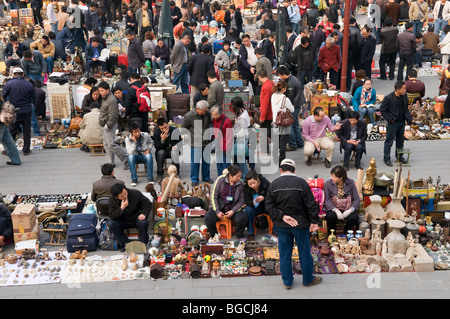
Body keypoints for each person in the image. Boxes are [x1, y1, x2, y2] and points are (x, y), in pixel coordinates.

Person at [265, 158, 321, 289]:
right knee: (304, 252)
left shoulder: (274, 184)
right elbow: (311, 204)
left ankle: (287, 282)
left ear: (281, 170)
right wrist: (314, 221)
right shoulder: (302, 183)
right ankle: (308, 280)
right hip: (301, 225)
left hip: (282, 225)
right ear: (294, 170)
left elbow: (268, 207)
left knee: (284, 254)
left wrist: (283, 217)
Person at [204, 165, 248, 239]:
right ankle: (214, 236)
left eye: (240, 176)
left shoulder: (241, 184)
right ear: (230, 175)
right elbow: (213, 196)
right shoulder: (220, 180)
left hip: (232, 209)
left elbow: (241, 200)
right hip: (220, 208)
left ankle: (239, 235)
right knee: (208, 218)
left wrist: (233, 211)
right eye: (237, 176)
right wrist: (217, 211)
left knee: (243, 218)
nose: (239, 178)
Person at [2, 67, 36, 157]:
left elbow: (3, 95)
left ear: (14, 75)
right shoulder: (28, 84)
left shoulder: (9, 83)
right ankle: (26, 150)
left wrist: (7, 103)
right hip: (27, 110)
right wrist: (31, 103)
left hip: (14, 110)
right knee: (26, 130)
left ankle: (9, 150)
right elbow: (35, 97)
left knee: (12, 130)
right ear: (23, 74)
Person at [108, 183, 152, 251]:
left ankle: (143, 243)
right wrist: (122, 208)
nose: (125, 196)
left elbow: (148, 203)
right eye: (122, 196)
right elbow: (112, 215)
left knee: (144, 223)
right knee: (111, 224)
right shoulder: (112, 200)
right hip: (122, 220)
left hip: (135, 218)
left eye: (125, 193)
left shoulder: (135, 193)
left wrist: (144, 214)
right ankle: (125, 243)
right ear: (116, 197)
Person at [181, 100, 213, 187]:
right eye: (203, 111)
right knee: (195, 162)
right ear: (197, 109)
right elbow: (184, 128)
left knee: (206, 161)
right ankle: (194, 179)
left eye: (205, 110)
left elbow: (210, 124)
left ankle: (206, 177)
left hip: (206, 142)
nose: (205, 112)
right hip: (195, 143)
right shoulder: (189, 116)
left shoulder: (207, 114)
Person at [380, 81, 412, 167]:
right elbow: (383, 110)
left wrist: (409, 118)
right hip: (393, 123)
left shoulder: (404, 96)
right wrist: (390, 119)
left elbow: (406, 109)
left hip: (401, 122)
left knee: (400, 141)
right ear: (398, 90)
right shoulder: (388, 98)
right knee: (389, 141)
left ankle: (399, 156)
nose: (405, 90)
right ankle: (386, 158)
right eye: (403, 89)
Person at [98, 81, 129, 169]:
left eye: (102, 91)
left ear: (107, 90)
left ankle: (126, 158)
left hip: (109, 124)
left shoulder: (111, 100)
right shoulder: (105, 97)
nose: (100, 93)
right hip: (104, 123)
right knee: (106, 144)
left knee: (111, 144)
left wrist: (108, 126)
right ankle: (110, 163)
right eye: (99, 91)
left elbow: (113, 115)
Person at [323, 165, 361, 234]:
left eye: (334, 177)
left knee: (354, 217)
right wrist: (336, 210)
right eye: (332, 176)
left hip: (347, 207)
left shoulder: (351, 183)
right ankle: (332, 231)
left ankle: (346, 230)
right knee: (330, 216)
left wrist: (350, 210)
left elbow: (356, 199)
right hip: (334, 207)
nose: (332, 178)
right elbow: (327, 200)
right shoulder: (328, 183)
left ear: (341, 178)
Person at [277, 65, 304, 151]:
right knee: (295, 123)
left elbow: (290, 98)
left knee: (289, 124)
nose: (280, 77)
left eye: (280, 75)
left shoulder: (291, 83)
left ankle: (293, 144)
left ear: (283, 74)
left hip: (294, 105)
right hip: (297, 104)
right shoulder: (293, 79)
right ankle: (299, 142)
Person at [271, 81, 295, 166]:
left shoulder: (273, 96)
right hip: (284, 122)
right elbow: (292, 110)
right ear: (284, 89)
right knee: (283, 142)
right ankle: (282, 159)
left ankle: (274, 159)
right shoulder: (285, 99)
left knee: (276, 141)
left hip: (275, 121)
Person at [153, 117, 181, 184]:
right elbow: (156, 146)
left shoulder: (174, 130)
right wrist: (162, 140)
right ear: (159, 128)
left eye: (166, 127)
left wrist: (177, 146)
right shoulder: (157, 133)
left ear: (168, 124)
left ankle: (175, 174)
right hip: (162, 150)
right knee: (160, 153)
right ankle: (160, 174)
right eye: (162, 128)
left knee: (174, 153)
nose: (164, 129)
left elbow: (181, 141)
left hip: (173, 149)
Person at [243, 171, 271, 241]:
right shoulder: (246, 187)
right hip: (255, 207)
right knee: (248, 210)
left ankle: (276, 231)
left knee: (273, 209)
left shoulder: (265, 183)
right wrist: (252, 202)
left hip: (266, 206)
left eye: (254, 183)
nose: (253, 185)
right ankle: (251, 233)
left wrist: (263, 198)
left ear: (257, 179)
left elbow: (272, 196)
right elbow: (246, 200)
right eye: (250, 184)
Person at [231, 96, 253, 175]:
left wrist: (235, 135)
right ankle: (238, 174)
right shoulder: (241, 112)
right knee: (236, 158)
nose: (231, 106)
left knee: (241, 159)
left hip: (241, 139)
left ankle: (245, 176)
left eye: (232, 104)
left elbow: (243, 130)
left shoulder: (242, 117)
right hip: (238, 138)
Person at [211, 105, 233, 175]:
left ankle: (227, 180)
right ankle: (220, 178)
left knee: (226, 165)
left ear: (220, 114)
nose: (213, 117)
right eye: (212, 115)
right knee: (219, 163)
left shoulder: (227, 122)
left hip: (225, 146)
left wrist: (227, 149)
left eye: (215, 115)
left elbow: (229, 138)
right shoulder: (215, 119)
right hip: (218, 144)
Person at [258, 69, 275, 154]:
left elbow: (264, 102)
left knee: (263, 132)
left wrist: (262, 117)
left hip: (267, 112)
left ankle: (265, 150)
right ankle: (276, 144)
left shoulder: (265, 87)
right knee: (268, 129)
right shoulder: (271, 83)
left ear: (259, 77)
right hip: (272, 111)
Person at [0, 101, 21, 166]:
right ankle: (16, 160)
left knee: (8, 140)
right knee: (8, 140)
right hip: (3, 119)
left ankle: (15, 160)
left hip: (2, 118)